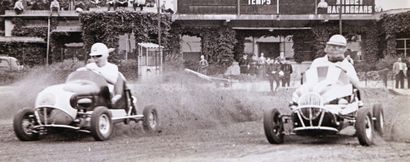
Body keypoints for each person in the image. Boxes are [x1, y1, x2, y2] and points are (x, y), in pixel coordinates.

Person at [309, 34, 363, 105]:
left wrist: (346, 73)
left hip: (338, 97)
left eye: (340, 47)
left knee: (342, 102)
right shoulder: (317, 62)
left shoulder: (347, 65)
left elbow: (357, 85)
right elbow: (309, 80)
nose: (335, 49)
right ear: (327, 47)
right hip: (318, 94)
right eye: (333, 46)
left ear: (344, 49)